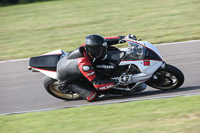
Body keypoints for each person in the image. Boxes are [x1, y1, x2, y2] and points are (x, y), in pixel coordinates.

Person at [57, 34, 137, 101]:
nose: (104, 50)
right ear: (94, 51)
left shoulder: (88, 47)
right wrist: (117, 80)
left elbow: (104, 41)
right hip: (69, 81)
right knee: (92, 96)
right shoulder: (85, 65)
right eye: (101, 50)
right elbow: (98, 84)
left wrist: (123, 38)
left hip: (69, 64)